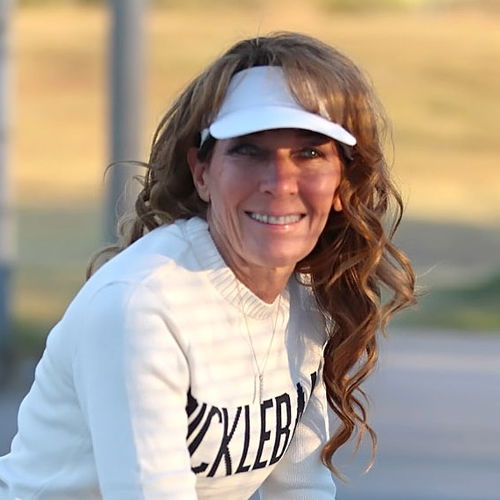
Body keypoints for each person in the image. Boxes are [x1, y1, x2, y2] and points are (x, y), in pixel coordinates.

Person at [0, 32, 415, 499]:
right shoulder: (141, 308)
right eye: (248, 151)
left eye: (310, 153)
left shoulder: (303, 299)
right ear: (202, 172)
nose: (280, 182)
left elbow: (301, 489)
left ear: (343, 182)